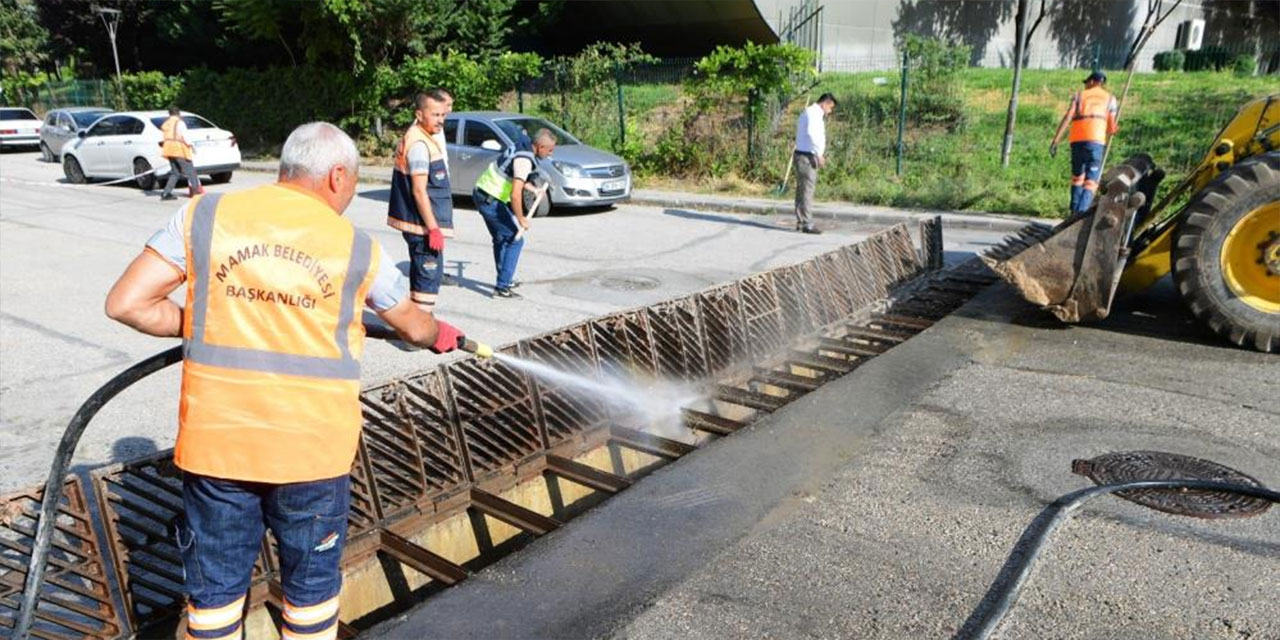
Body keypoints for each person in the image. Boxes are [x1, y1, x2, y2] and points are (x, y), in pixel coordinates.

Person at [104, 122, 466, 640]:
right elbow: (412, 325)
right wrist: (438, 334)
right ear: (337, 176)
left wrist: (208, 319)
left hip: (218, 447)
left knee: (213, 605)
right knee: (311, 598)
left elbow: (127, 303)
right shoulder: (355, 247)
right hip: (311, 453)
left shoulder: (205, 214)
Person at [387, 91, 453, 311]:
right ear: (419, 114)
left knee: (423, 274)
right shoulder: (418, 145)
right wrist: (433, 229)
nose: (441, 120)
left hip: (420, 224)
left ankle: (418, 323)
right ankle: (416, 332)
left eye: (443, 114)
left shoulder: (422, 136)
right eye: (435, 114)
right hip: (422, 226)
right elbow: (419, 190)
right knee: (427, 275)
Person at [473, 128, 554, 299]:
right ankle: (502, 287)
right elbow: (515, 194)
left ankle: (505, 278)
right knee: (515, 240)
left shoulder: (521, 145)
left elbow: (514, 176)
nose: (550, 153)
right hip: (490, 199)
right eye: (549, 150)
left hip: (484, 193)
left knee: (501, 238)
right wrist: (521, 218)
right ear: (539, 146)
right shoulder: (524, 160)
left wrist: (534, 189)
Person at [1050, 71, 1118, 214]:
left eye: (1087, 82)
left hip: (1077, 142)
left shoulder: (1079, 96)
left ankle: (1074, 212)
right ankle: (1080, 213)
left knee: (1077, 178)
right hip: (1096, 142)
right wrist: (1113, 129)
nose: (1086, 85)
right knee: (1091, 181)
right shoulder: (1110, 99)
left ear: (1093, 81)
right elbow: (1112, 128)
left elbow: (1068, 117)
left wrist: (1055, 140)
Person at [793, 93, 837, 235]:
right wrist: (818, 154)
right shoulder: (813, 113)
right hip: (808, 156)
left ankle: (801, 220)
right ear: (825, 103)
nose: (830, 112)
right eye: (830, 108)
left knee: (802, 189)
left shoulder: (809, 112)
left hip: (803, 154)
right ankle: (807, 223)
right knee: (807, 190)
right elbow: (812, 133)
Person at [159, 106, 203, 201]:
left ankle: (166, 193)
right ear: (178, 114)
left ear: (170, 114)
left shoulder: (167, 123)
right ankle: (197, 192)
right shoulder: (179, 123)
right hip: (179, 149)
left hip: (168, 149)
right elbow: (185, 136)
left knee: (175, 172)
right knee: (190, 171)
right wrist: (192, 146)